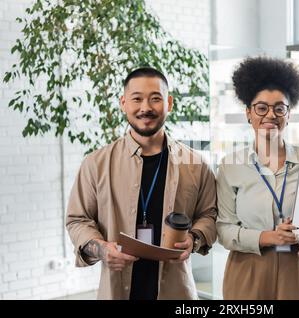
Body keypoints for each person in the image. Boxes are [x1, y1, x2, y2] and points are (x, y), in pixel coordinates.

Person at [66, 67, 217, 300]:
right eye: (137, 99)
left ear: (169, 103)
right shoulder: (96, 163)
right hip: (116, 290)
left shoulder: (196, 164)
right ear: (123, 103)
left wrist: (194, 239)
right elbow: (78, 219)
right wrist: (101, 249)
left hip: (177, 291)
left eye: (155, 98)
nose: (145, 107)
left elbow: (209, 215)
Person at [216, 56, 299, 300]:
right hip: (247, 273)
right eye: (261, 107)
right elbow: (223, 229)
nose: (270, 115)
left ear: (288, 114)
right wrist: (267, 237)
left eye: (279, 108)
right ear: (248, 114)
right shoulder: (230, 167)